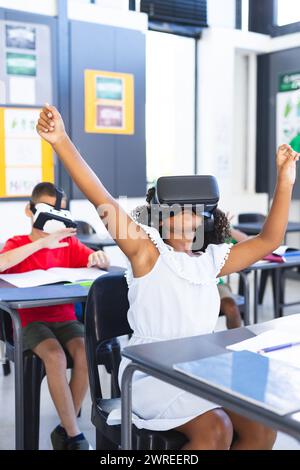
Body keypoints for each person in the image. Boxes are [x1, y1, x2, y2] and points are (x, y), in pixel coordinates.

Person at [36, 104, 298, 450]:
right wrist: (62, 141)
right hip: (152, 373)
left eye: (195, 209)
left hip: (203, 369)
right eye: (179, 208)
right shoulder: (147, 252)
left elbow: (269, 240)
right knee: (216, 429)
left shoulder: (212, 260)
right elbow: (103, 199)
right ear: (161, 217)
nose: (188, 214)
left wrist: (285, 179)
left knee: (262, 427)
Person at [0, 182, 110, 450]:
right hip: (30, 322)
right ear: (30, 211)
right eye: (45, 211)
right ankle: (74, 436)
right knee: (55, 356)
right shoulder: (17, 244)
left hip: (65, 317)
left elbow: (96, 260)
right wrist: (42, 243)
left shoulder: (68, 245)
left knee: (85, 352)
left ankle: (65, 429)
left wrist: (99, 258)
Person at [201, 209, 249, 329]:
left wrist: (228, 229)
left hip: (214, 282)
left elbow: (247, 242)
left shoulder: (215, 226)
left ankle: (236, 344)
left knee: (232, 308)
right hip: (188, 280)